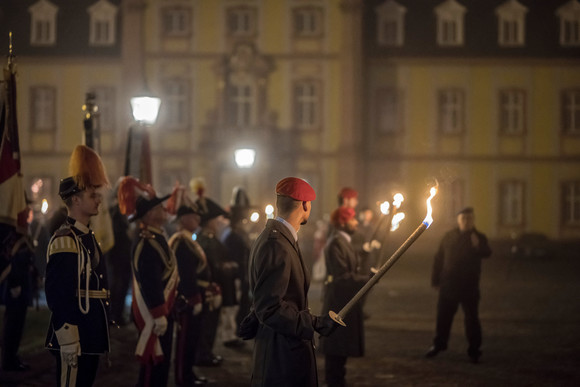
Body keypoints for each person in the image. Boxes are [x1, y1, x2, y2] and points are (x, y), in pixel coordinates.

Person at [242, 177, 338, 387]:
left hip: (284, 348)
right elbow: (270, 308)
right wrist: (314, 323)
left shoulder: (278, 239)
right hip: (281, 355)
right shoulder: (276, 244)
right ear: (305, 205)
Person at [44, 145, 111, 387]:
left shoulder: (86, 236)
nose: (99, 200)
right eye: (93, 196)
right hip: (75, 331)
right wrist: (67, 335)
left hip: (90, 330)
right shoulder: (65, 239)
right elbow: (58, 293)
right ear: (75, 199)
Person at [118, 176, 178, 387]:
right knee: (153, 366)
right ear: (150, 214)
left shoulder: (156, 237)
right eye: (159, 207)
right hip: (155, 312)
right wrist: (159, 313)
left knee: (161, 365)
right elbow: (150, 280)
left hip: (164, 309)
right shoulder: (146, 242)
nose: (164, 210)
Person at [425, 207, 492, 363]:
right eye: (463, 219)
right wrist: (435, 280)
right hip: (448, 286)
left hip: (469, 287)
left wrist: (477, 246)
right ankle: (439, 345)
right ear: (458, 220)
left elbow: (487, 253)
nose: (466, 222)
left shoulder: (478, 237)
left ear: (473, 220)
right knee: (443, 318)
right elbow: (439, 258)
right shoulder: (449, 236)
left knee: (472, 319)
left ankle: (474, 350)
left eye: (469, 219)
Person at [319, 207, 369, 387]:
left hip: (344, 300)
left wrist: (363, 256)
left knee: (340, 353)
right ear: (342, 222)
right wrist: (368, 279)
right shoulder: (336, 243)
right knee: (336, 352)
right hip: (338, 303)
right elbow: (341, 276)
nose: (356, 222)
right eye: (352, 219)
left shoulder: (343, 242)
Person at [168, 204, 207, 386]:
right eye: (193, 216)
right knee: (185, 341)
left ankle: (189, 373)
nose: (197, 220)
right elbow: (185, 273)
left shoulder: (187, 240)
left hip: (193, 295)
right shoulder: (181, 242)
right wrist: (193, 297)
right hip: (186, 299)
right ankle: (183, 378)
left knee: (193, 339)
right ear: (183, 219)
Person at [1, 202, 38, 372]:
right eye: (28, 209)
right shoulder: (16, 235)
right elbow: (14, 260)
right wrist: (15, 283)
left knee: (18, 323)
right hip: (16, 286)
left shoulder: (26, 232)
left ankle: (12, 357)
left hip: (23, 284)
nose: (30, 212)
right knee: (13, 323)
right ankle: (8, 359)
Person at [195, 196, 230, 367]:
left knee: (209, 323)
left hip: (210, 288)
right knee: (207, 324)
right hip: (209, 288)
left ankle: (205, 352)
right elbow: (214, 266)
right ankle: (204, 354)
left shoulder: (204, 238)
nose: (218, 224)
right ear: (209, 222)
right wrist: (228, 268)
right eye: (215, 221)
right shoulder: (207, 240)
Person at [221, 186, 252, 348]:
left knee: (241, 304)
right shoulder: (232, 234)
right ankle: (231, 335)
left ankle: (238, 330)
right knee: (233, 305)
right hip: (234, 276)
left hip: (242, 275)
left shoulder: (240, 232)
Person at [104, 181, 133, 326]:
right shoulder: (116, 212)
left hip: (124, 256)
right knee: (117, 286)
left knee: (122, 286)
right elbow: (116, 233)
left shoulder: (123, 212)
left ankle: (118, 314)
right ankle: (113, 315)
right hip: (117, 256)